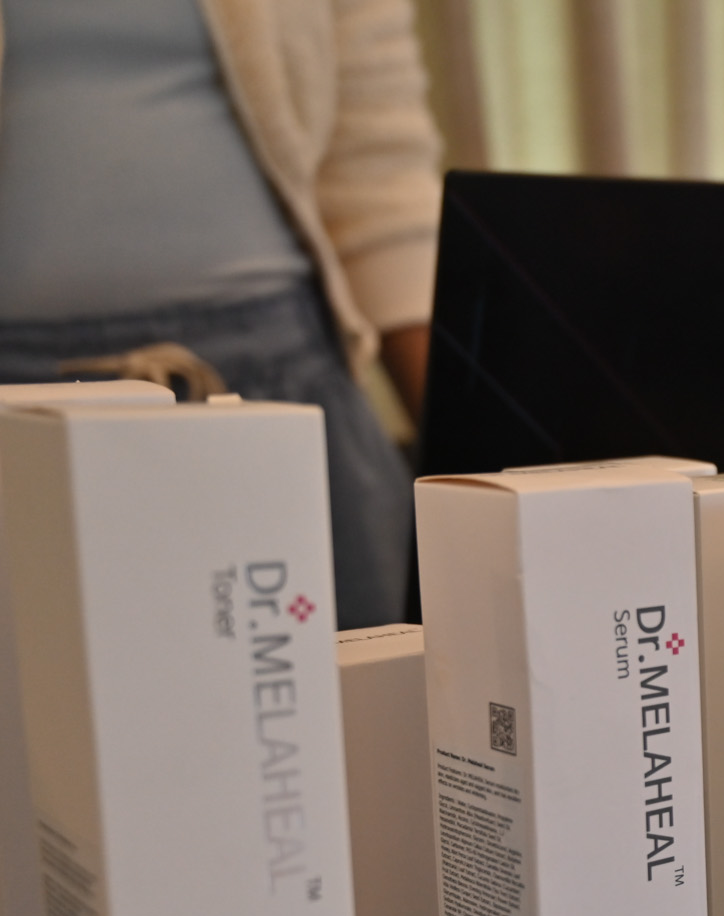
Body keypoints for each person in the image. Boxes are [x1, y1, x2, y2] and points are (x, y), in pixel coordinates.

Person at [0, 0, 442, 629]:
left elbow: (379, 172)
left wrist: (484, 462)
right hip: (14, 420)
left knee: (365, 685)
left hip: (283, 392)